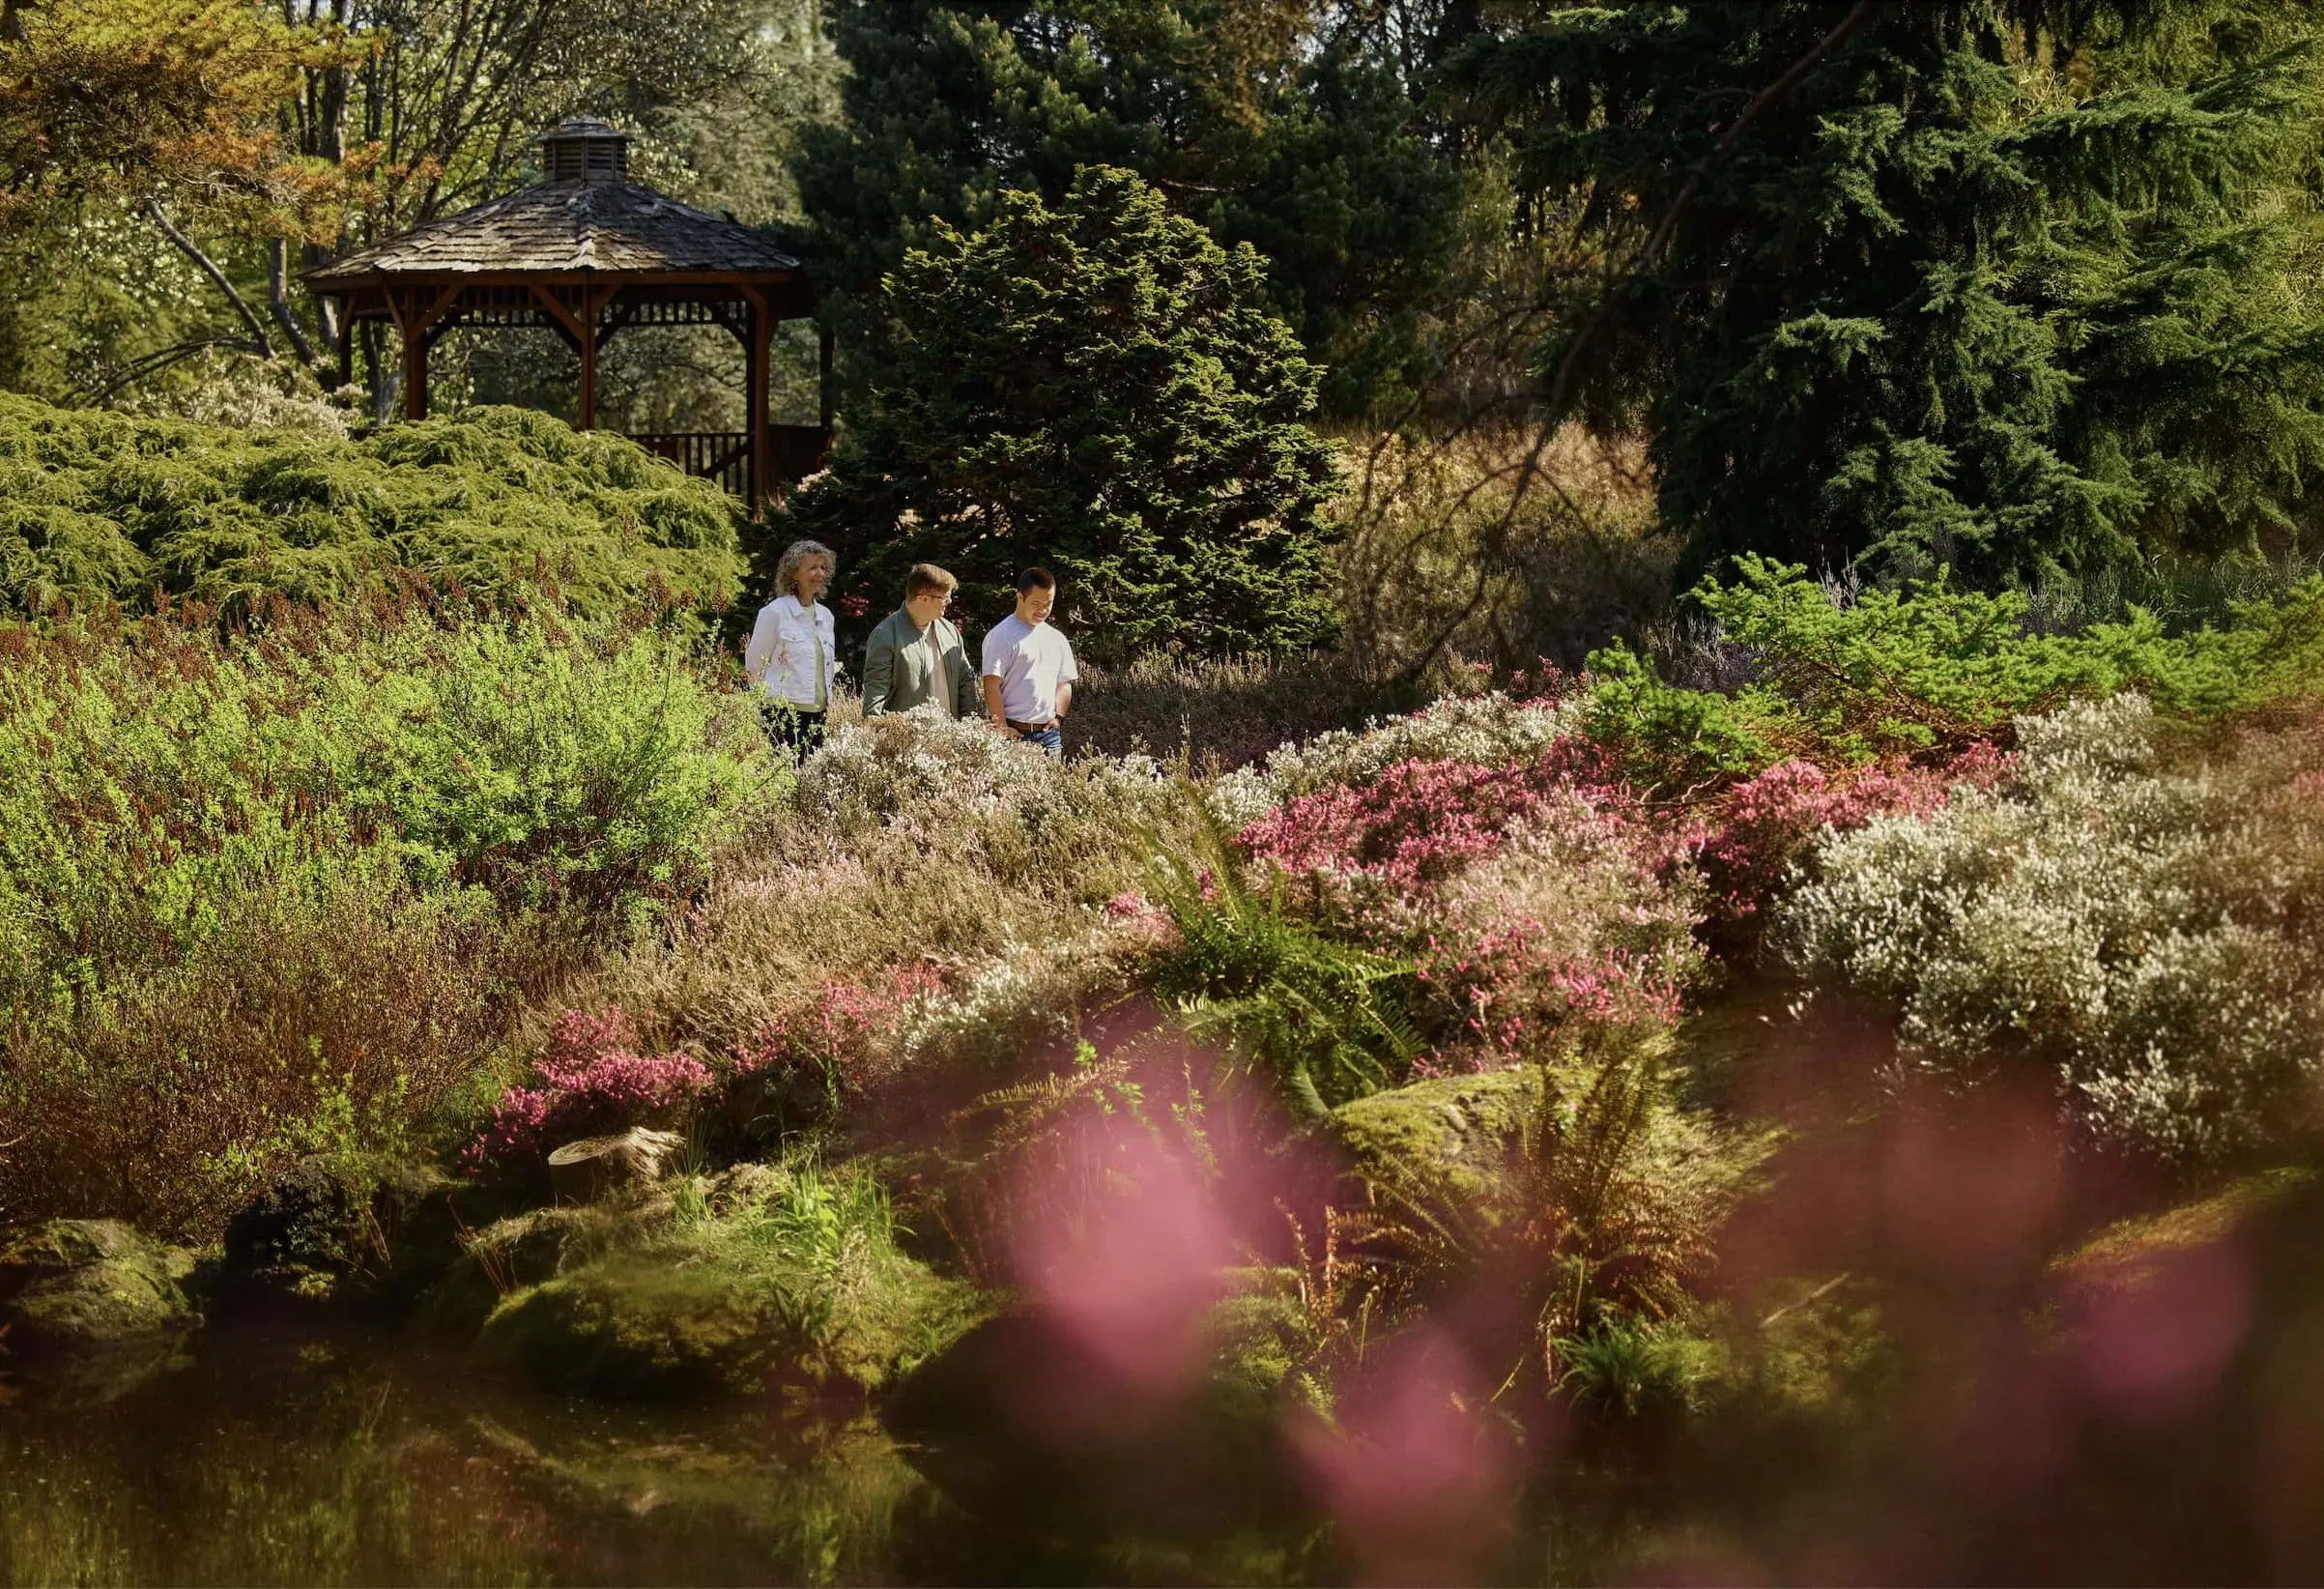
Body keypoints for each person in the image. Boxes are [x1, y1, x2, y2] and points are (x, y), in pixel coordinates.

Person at [744, 538, 839, 757]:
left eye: (823, 568)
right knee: (787, 775)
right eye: (812, 567)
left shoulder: (826, 616)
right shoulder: (775, 613)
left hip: (818, 713)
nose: (820, 574)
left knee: (811, 779)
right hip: (783, 712)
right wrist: (759, 708)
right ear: (794, 573)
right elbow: (755, 663)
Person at [980, 565, 1078, 757]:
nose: (1042, 610)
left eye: (1048, 603)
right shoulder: (1001, 636)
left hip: (1049, 735)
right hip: (1013, 732)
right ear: (1020, 598)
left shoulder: (1056, 639)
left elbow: (1064, 683)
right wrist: (1001, 728)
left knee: (1052, 786)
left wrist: (1058, 718)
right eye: (1036, 603)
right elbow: (991, 685)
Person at [861, 563, 979, 719]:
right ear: (923, 598)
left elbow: (965, 680)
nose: (949, 603)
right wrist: (876, 729)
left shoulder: (950, 631)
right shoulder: (886, 634)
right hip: (908, 739)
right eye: (945, 598)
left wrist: (970, 722)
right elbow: (876, 690)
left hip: (951, 736)